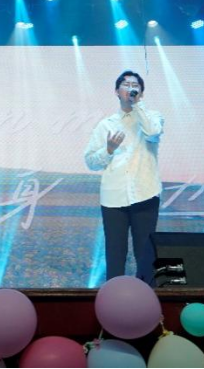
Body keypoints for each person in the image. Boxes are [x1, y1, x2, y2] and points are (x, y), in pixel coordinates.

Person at [84, 70, 164, 284]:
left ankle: (147, 298)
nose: (131, 88)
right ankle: (113, 297)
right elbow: (90, 161)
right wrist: (108, 150)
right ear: (116, 91)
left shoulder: (153, 117)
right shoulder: (106, 125)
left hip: (145, 193)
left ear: (141, 93)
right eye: (126, 84)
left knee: (145, 254)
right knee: (115, 253)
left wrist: (138, 106)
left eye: (135, 85)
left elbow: (152, 133)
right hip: (113, 197)